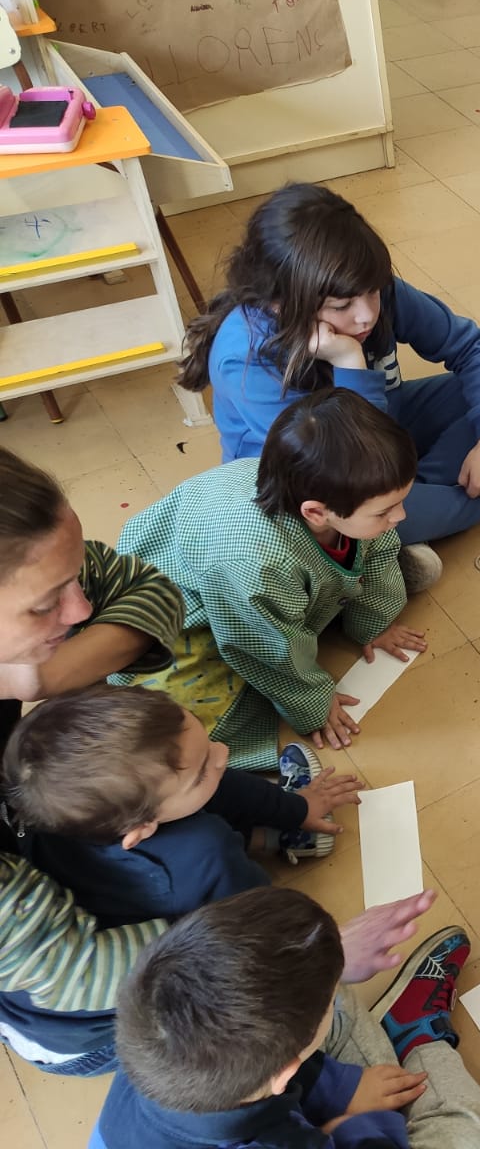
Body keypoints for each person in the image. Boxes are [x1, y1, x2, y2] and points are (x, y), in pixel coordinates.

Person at [0, 446, 356, 1078]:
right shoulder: (200, 860)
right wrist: (303, 951)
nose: (80, 612)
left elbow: (149, 589)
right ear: (134, 831)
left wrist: (43, 676)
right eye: (45, 604)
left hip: (60, 885)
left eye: (75, 579)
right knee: (302, 1018)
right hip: (84, 1030)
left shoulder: (66, 799)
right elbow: (71, 969)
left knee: (190, 798)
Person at [178, 182, 480, 592]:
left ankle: (403, 516)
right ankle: (470, 500)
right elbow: (346, 466)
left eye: (372, 292)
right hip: (324, 483)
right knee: (354, 520)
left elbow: (472, 347)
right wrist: (349, 360)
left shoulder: (366, 287)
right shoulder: (245, 356)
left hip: (383, 429)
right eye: (341, 306)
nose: (366, 314)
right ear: (281, 302)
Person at [89, 888, 480, 1148]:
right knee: (473, 1135)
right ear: (285, 1073)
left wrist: (343, 1089)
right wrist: (343, 1128)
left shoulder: (153, 1038)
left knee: (315, 991)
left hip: (253, 1107)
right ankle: (418, 1038)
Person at [115, 389, 425, 771]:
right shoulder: (258, 562)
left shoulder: (336, 496)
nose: (401, 516)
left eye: (401, 501)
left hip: (243, 566)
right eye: (385, 511)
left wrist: (374, 625)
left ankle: (326, 595)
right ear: (316, 513)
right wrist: (313, 702)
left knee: (340, 570)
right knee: (179, 728)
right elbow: (267, 645)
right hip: (177, 597)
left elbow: (377, 552)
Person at [5, 685, 277, 927]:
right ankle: (267, 839)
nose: (223, 752)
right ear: (141, 830)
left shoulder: (50, 816)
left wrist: (294, 809)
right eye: (201, 773)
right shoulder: (207, 851)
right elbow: (258, 909)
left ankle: (260, 836)